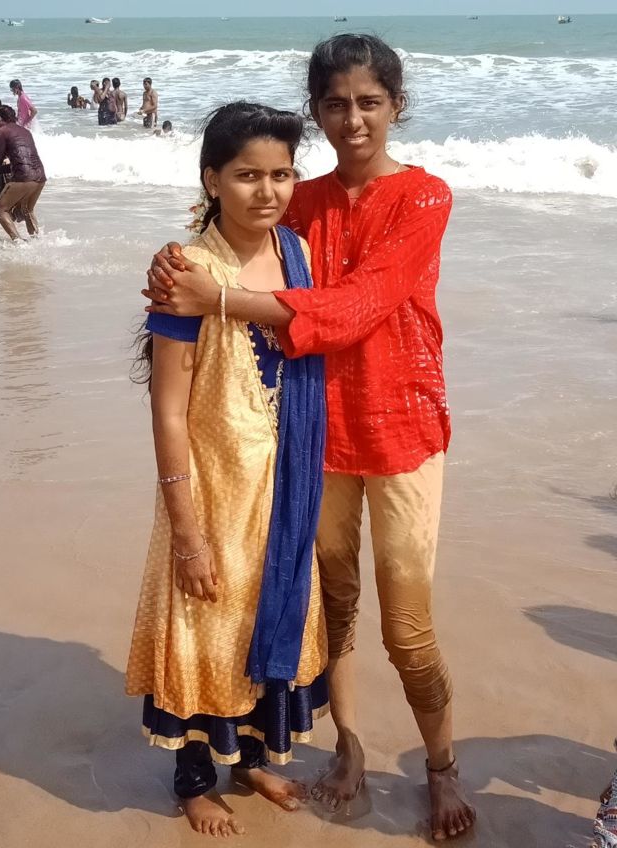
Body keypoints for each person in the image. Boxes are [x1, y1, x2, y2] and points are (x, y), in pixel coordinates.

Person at [143, 33, 476, 841]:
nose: (353, 119)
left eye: (370, 102)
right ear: (317, 112)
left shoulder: (424, 196)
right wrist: (173, 266)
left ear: (397, 106)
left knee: (409, 628)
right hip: (313, 432)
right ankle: (348, 748)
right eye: (335, 104)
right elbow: (230, 230)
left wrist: (216, 298)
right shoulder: (301, 199)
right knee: (331, 609)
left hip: (401, 429)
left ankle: (441, 767)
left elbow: (359, 306)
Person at [126, 101, 328, 838]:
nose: (267, 191)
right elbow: (169, 410)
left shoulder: (300, 254)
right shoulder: (187, 271)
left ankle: (249, 761)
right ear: (212, 179)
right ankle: (193, 781)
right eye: (247, 175)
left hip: (286, 487)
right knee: (204, 622)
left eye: (281, 174)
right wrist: (186, 530)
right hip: (212, 491)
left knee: (266, 616)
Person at [0, 105, 46, 241]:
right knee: (27, 210)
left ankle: (18, 242)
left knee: (0, 210)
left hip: (23, 177)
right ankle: (37, 240)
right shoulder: (25, 131)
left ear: (0, 118)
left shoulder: (1, 131)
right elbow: (21, 161)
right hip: (40, 176)